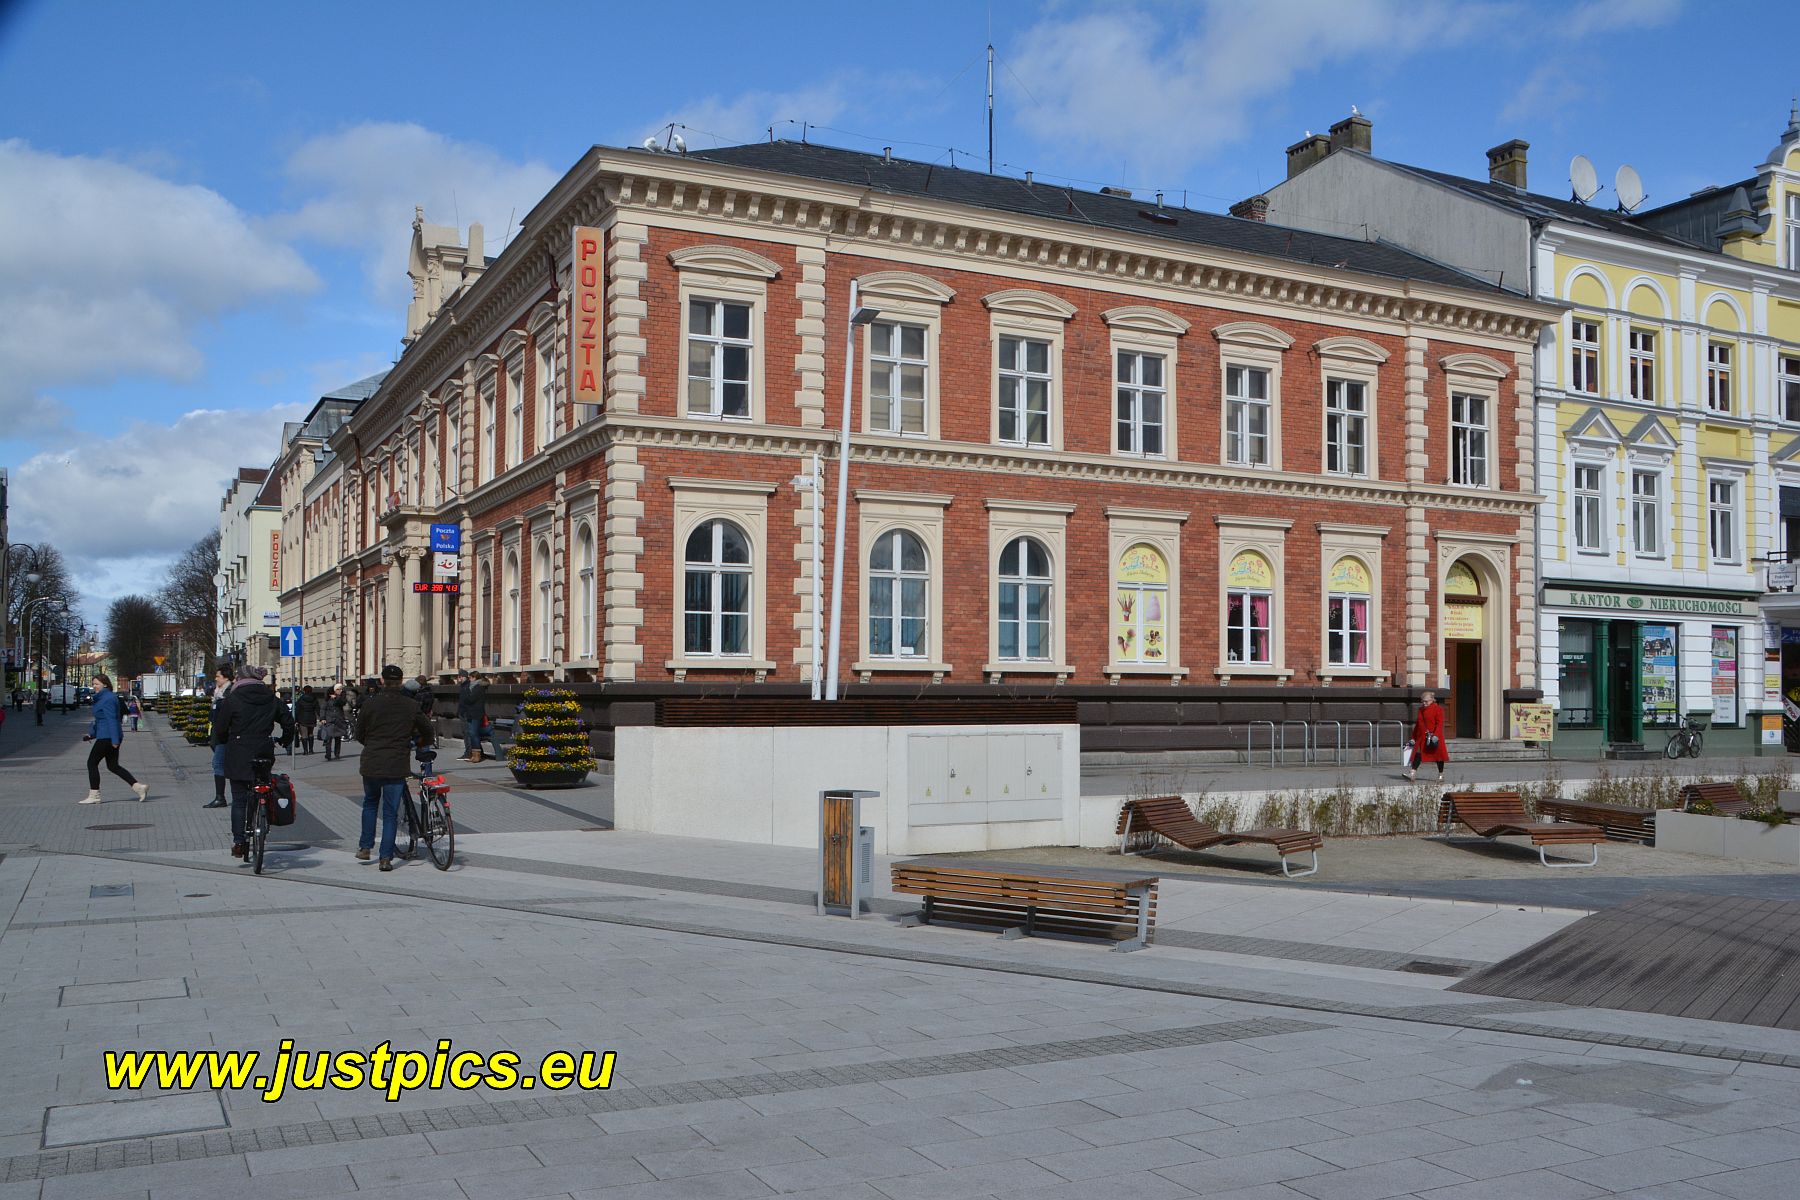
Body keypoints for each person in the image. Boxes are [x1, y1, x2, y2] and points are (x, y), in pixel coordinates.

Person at [354, 664, 433, 872]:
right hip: (397, 764)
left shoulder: (370, 704)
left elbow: (358, 732)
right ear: (400, 681)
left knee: (370, 803)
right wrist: (421, 743)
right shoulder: (410, 705)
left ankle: (365, 847)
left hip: (372, 762)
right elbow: (428, 730)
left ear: (382, 681)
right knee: (390, 813)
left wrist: (372, 744)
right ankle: (385, 858)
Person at [215, 665, 294, 860]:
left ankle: (239, 842)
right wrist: (285, 740)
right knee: (262, 785)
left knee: (239, 800)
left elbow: (220, 728)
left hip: (238, 752)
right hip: (263, 750)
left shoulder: (232, 699)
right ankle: (262, 810)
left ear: (241, 679)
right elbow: (288, 721)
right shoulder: (271, 698)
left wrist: (224, 740)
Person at [80, 674, 149, 804]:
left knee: (91, 763)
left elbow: (112, 719)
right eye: (93, 684)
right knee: (113, 766)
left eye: (97, 684)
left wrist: (115, 740)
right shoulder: (102, 698)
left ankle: (94, 795)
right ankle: (138, 787)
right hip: (106, 735)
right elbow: (100, 720)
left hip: (107, 737)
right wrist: (91, 734)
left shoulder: (108, 698)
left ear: (105, 684)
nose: (94, 686)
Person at [204, 665, 235, 809]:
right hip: (219, 735)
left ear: (226, 677)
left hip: (225, 736)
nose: (216, 679)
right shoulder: (219, 692)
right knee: (222, 764)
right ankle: (222, 796)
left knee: (218, 764)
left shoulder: (229, 692)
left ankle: (220, 797)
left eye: (218, 676)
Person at [1405, 690, 1450, 783]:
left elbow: (1439, 724)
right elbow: (1418, 724)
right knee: (1417, 753)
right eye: (1422, 701)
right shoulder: (1421, 710)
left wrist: (1435, 735)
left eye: (1426, 701)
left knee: (1438, 756)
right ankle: (1412, 773)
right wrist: (1413, 737)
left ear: (1432, 700)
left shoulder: (1438, 709)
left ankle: (1441, 774)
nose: (1424, 703)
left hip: (1434, 736)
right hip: (1422, 736)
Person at [456, 669, 488, 763]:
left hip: (475, 713)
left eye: (470, 678)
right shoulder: (472, 686)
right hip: (471, 713)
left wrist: (466, 693)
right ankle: (475, 755)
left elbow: (470, 699)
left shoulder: (477, 687)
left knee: (473, 734)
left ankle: (475, 755)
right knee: (472, 734)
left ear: (474, 678)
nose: (469, 679)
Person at [319, 683, 350, 760]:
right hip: (329, 721)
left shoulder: (341, 697)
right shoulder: (327, 699)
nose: (340, 691)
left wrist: (336, 697)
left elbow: (343, 702)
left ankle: (337, 754)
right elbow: (323, 709)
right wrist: (322, 718)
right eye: (338, 689)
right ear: (334, 690)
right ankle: (328, 754)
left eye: (341, 689)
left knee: (338, 738)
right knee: (328, 738)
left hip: (338, 720)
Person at [292, 685, 320, 755]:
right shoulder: (314, 699)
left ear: (304, 691)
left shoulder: (301, 699)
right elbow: (318, 709)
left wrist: (295, 720)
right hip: (312, 718)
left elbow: (297, 710)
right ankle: (311, 750)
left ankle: (305, 751)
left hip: (302, 719)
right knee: (311, 733)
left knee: (304, 735)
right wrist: (321, 717)